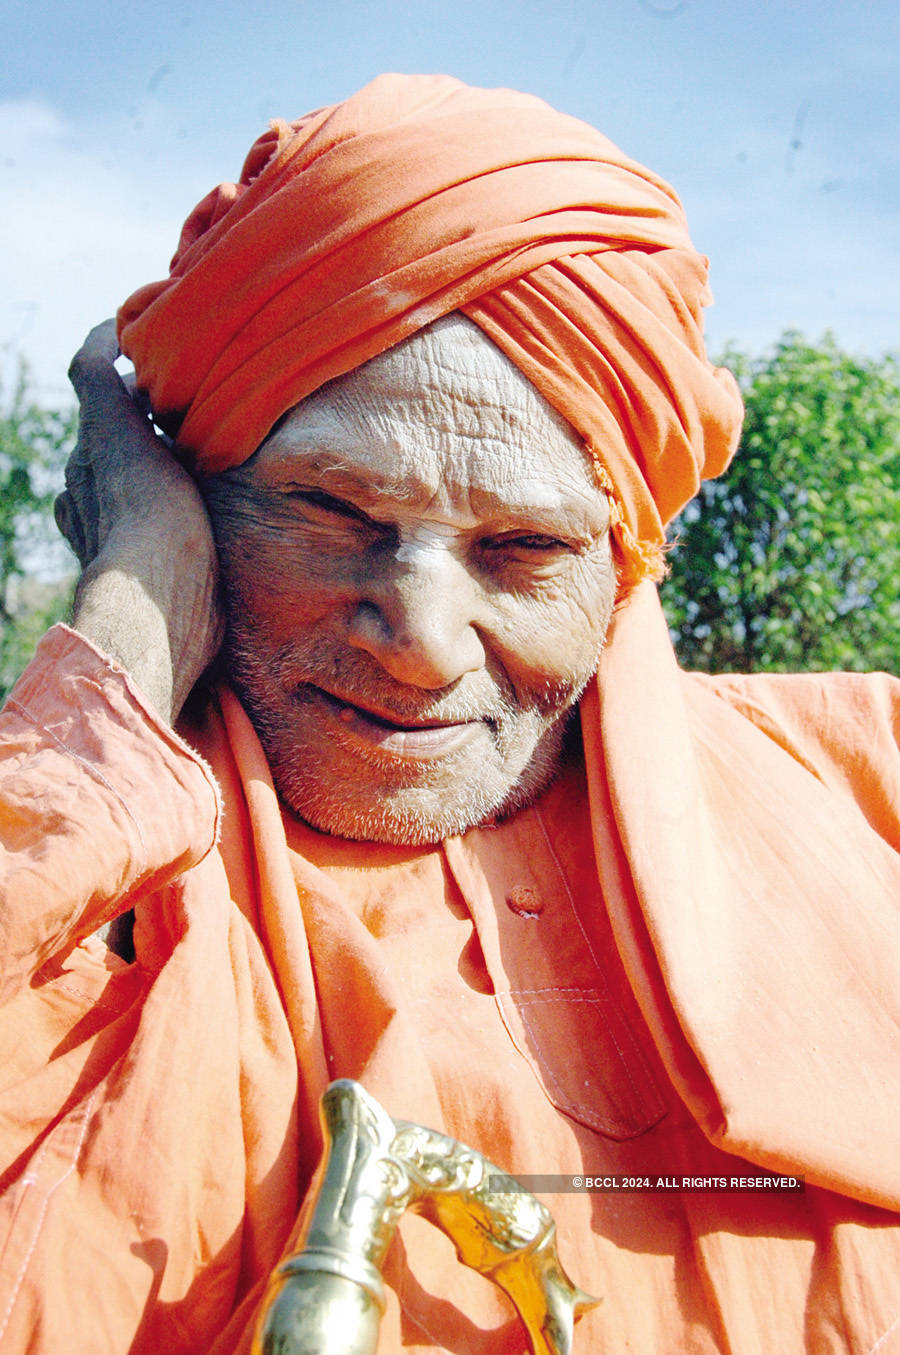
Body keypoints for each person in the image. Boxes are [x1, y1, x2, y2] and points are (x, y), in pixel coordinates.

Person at [0, 74, 898, 1355]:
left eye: (524, 546)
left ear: (623, 559)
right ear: (195, 489)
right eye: (329, 511)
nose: (420, 647)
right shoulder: (92, 873)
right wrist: (135, 629)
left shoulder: (867, 784)